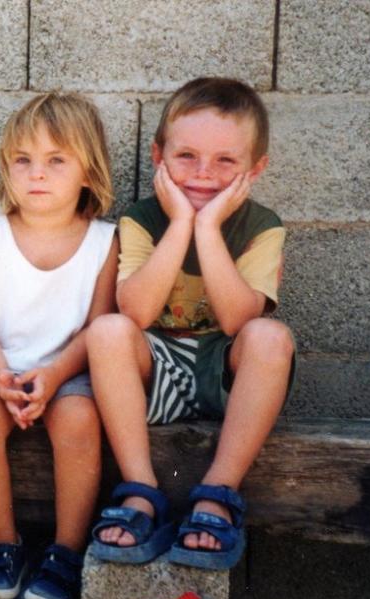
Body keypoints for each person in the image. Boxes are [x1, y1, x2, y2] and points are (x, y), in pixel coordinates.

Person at [87, 77, 294, 570]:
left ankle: (217, 495)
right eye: (186, 157)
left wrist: (207, 226)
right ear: (159, 157)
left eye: (226, 161)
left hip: (229, 377)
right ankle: (140, 491)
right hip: (160, 372)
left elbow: (237, 317)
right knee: (108, 331)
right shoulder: (141, 219)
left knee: (270, 336)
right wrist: (180, 224)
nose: (204, 175)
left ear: (255, 169)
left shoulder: (262, 227)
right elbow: (134, 313)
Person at [0, 91, 118, 599]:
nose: (36, 173)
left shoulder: (104, 242)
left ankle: (66, 552)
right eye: (23, 160)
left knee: (82, 418)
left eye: (56, 160)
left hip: (69, 373)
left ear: (88, 172)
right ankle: (2, 546)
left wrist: (55, 373)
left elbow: (97, 328)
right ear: (7, 168)